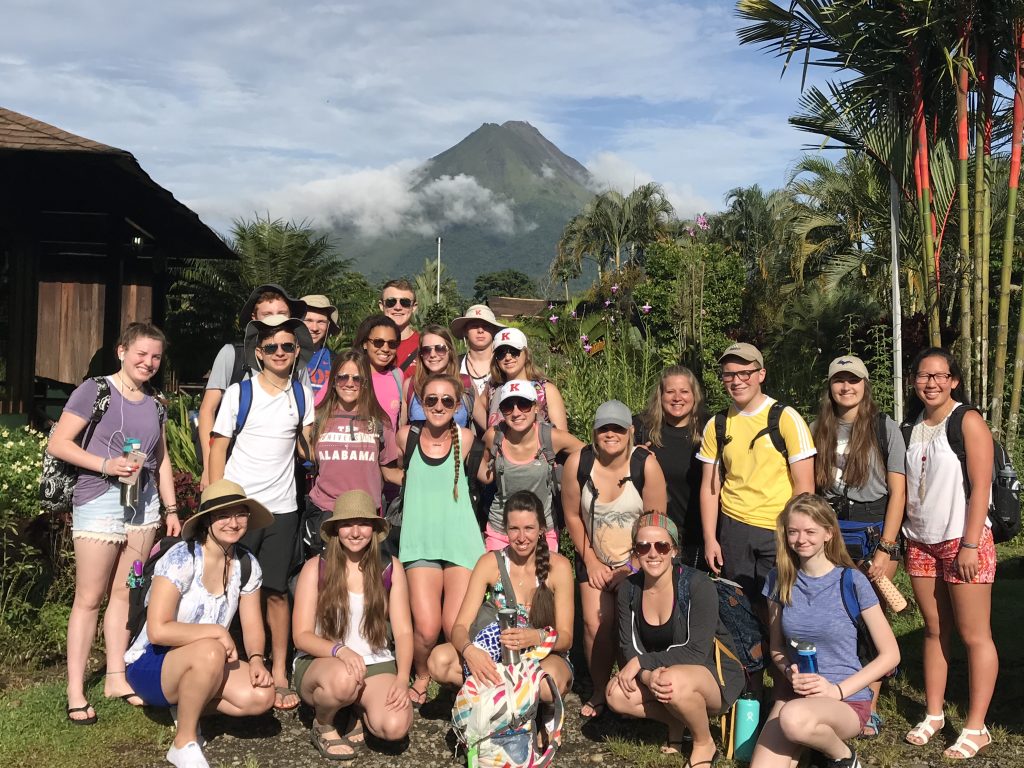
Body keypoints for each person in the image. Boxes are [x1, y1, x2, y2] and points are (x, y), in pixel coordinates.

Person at [47, 322, 180, 724]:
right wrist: (106, 464)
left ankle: (116, 676)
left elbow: (163, 459)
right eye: (141, 353)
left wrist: (171, 510)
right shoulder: (95, 390)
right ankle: (75, 689)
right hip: (99, 503)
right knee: (89, 598)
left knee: (127, 591)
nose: (148, 362)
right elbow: (59, 443)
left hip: (144, 509)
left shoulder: (156, 403)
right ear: (121, 351)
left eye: (155, 356)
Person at [124, 480, 276, 768]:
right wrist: (217, 632)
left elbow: (253, 623)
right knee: (210, 649)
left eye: (240, 514)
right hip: (152, 662)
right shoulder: (183, 558)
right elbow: (158, 630)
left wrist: (256, 659)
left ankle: (186, 705)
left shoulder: (246, 564)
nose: (233, 523)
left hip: (205, 660)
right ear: (207, 520)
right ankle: (184, 741)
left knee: (262, 696)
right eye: (223, 515)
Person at [209, 314, 315, 712]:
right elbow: (218, 445)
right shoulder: (240, 393)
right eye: (271, 347)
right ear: (258, 353)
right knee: (223, 586)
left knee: (275, 591)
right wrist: (217, 501)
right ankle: (221, 666)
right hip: (238, 506)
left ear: (296, 351)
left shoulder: (302, 395)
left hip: (283, 509)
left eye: (288, 346)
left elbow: (306, 446)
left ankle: (282, 670)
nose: (280, 353)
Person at [752, 494, 900, 768]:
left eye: (810, 531)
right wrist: (788, 671)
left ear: (829, 533)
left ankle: (843, 757)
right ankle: (811, 746)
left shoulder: (851, 579)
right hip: (796, 696)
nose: (801, 539)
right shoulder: (778, 579)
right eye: (793, 532)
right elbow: (776, 648)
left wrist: (836, 691)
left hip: (845, 699)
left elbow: (890, 655)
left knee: (794, 720)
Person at [901, 348, 997, 759]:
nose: (932, 383)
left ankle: (977, 727)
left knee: (975, 635)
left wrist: (971, 543)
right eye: (924, 375)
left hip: (962, 541)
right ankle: (935, 713)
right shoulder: (910, 427)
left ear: (954, 380)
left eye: (940, 376)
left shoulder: (967, 420)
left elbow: (981, 486)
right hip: (920, 541)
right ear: (915, 381)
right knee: (935, 629)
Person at [811, 355, 906, 737]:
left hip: (873, 529)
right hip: (831, 528)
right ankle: (834, 693)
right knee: (834, 616)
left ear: (865, 385)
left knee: (871, 619)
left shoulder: (885, 428)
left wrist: (886, 547)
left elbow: (898, 491)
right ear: (830, 386)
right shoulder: (817, 427)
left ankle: (870, 706)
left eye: (853, 380)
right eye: (839, 380)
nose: (846, 387)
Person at [607, 512, 744, 763]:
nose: (653, 553)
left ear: (673, 550)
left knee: (672, 681)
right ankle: (676, 721)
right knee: (615, 693)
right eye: (643, 546)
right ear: (635, 552)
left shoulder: (697, 584)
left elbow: (697, 651)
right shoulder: (629, 588)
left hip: (712, 674)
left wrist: (641, 664)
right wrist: (648, 675)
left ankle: (704, 743)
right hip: (662, 673)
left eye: (661, 545)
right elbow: (629, 646)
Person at [562, 399, 667, 720]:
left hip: (639, 559)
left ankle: (631, 688)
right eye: (604, 428)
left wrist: (632, 567)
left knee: (631, 626)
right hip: (592, 554)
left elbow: (657, 522)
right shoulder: (578, 464)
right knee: (596, 624)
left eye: (618, 428)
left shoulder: (645, 465)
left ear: (631, 431)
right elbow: (572, 515)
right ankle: (598, 688)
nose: (611, 434)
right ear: (594, 432)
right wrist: (591, 561)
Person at [292, 490, 414, 760]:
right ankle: (324, 724)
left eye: (363, 523)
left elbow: (404, 630)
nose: (355, 532)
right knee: (345, 680)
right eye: (347, 524)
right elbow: (301, 636)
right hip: (324, 662)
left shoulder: (389, 567)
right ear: (336, 529)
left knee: (394, 728)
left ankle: (356, 708)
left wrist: (403, 678)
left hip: (376, 661)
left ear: (374, 528)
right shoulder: (316, 567)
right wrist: (340, 651)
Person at [698, 342, 816, 607]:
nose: (737, 381)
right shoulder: (717, 425)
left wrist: (794, 533)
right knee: (739, 606)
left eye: (745, 373)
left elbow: (805, 486)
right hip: (733, 527)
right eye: (729, 374)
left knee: (780, 605)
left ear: (760, 375)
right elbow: (710, 486)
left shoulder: (786, 418)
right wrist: (710, 539)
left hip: (778, 527)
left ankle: (778, 650)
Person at [429, 490, 575, 700]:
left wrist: (535, 637)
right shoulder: (490, 563)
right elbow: (460, 626)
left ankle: (536, 711)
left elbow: (566, 638)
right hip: (496, 656)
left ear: (542, 530)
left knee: (547, 680)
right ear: (505, 530)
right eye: (514, 529)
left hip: (541, 657)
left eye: (529, 528)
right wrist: (470, 652)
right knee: (439, 660)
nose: (521, 537)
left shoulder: (559, 567)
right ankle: (498, 698)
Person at [396, 373, 485, 706]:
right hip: (420, 541)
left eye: (447, 400)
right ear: (419, 402)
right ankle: (422, 674)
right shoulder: (406, 436)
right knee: (427, 628)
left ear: (458, 404)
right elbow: (394, 473)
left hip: (460, 542)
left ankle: (455, 677)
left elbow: (485, 476)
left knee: (454, 625)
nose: (438, 406)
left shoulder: (465, 438)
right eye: (430, 399)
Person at [196, 284, 306, 489]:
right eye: (268, 314)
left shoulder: (297, 365)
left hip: (280, 480)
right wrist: (209, 467)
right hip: (232, 468)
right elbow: (207, 410)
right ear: (254, 319)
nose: (276, 318)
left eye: (282, 313)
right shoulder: (232, 355)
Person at [306, 351, 402, 543]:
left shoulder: (380, 421)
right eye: (342, 377)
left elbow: (389, 472)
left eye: (357, 378)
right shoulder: (317, 418)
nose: (349, 383)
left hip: (365, 515)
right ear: (333, 381)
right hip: (327, 512)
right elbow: (306, 455)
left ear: (365, 383)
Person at [477, 380, 584, 552]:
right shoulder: (495, 436)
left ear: (536, 407)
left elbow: (587, 454)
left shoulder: (550, 437)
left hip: (542, 530)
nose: (516, 412)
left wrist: (570, 480)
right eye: (508, 407)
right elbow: (480, 459)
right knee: (499, 579)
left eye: (524, 404)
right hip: (501, 530)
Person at [633, 365, 708, 569]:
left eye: (684, 391)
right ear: (660, 395)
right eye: (670, 391)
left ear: (695, 396)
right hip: (655, 537)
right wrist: (633, 456)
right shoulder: (640, 428)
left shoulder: (710, 429)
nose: (677, 398)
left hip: (698, 538)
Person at [472, 327, 568, 432]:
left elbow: (562, 435)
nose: (508, 358)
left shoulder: (546, 390)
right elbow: (475, 408)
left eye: (514, 351)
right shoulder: (493, 388)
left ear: (526, 354)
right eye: (501, 353)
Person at [403, 324, 474, 427]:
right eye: (426, 350)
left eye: (440, 349)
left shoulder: (465, 383)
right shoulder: (411, 386)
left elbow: (487, 426)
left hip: (458, 442)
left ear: (450, 351)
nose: (432, 355)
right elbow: (401, 431)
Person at [353, 314, 406, 432]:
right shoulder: (349, 374)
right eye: (378, 342)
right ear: (364, 344)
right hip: (354, 448)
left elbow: (400, 422)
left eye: (392, 343)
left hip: (388, 449)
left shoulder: (397, 375)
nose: (385, 349)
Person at [450, 304, 505, 396]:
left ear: (494, 331)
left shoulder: (505, 364)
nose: (480, 330)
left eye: (486, 326)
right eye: (474, 326)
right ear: (465, 331)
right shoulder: (453, 365)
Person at [301, 294, 341, 410]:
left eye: (321, 322)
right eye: (308, 320)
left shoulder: (335, 361)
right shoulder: (283, 356)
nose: (314, 328)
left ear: (328, 326)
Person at [379, 279, 420, 379]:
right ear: (381, 306)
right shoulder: (370, 345)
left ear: (414, 307)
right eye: (391, 302)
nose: (398, 307)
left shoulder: (425, 345)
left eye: (405, 302)